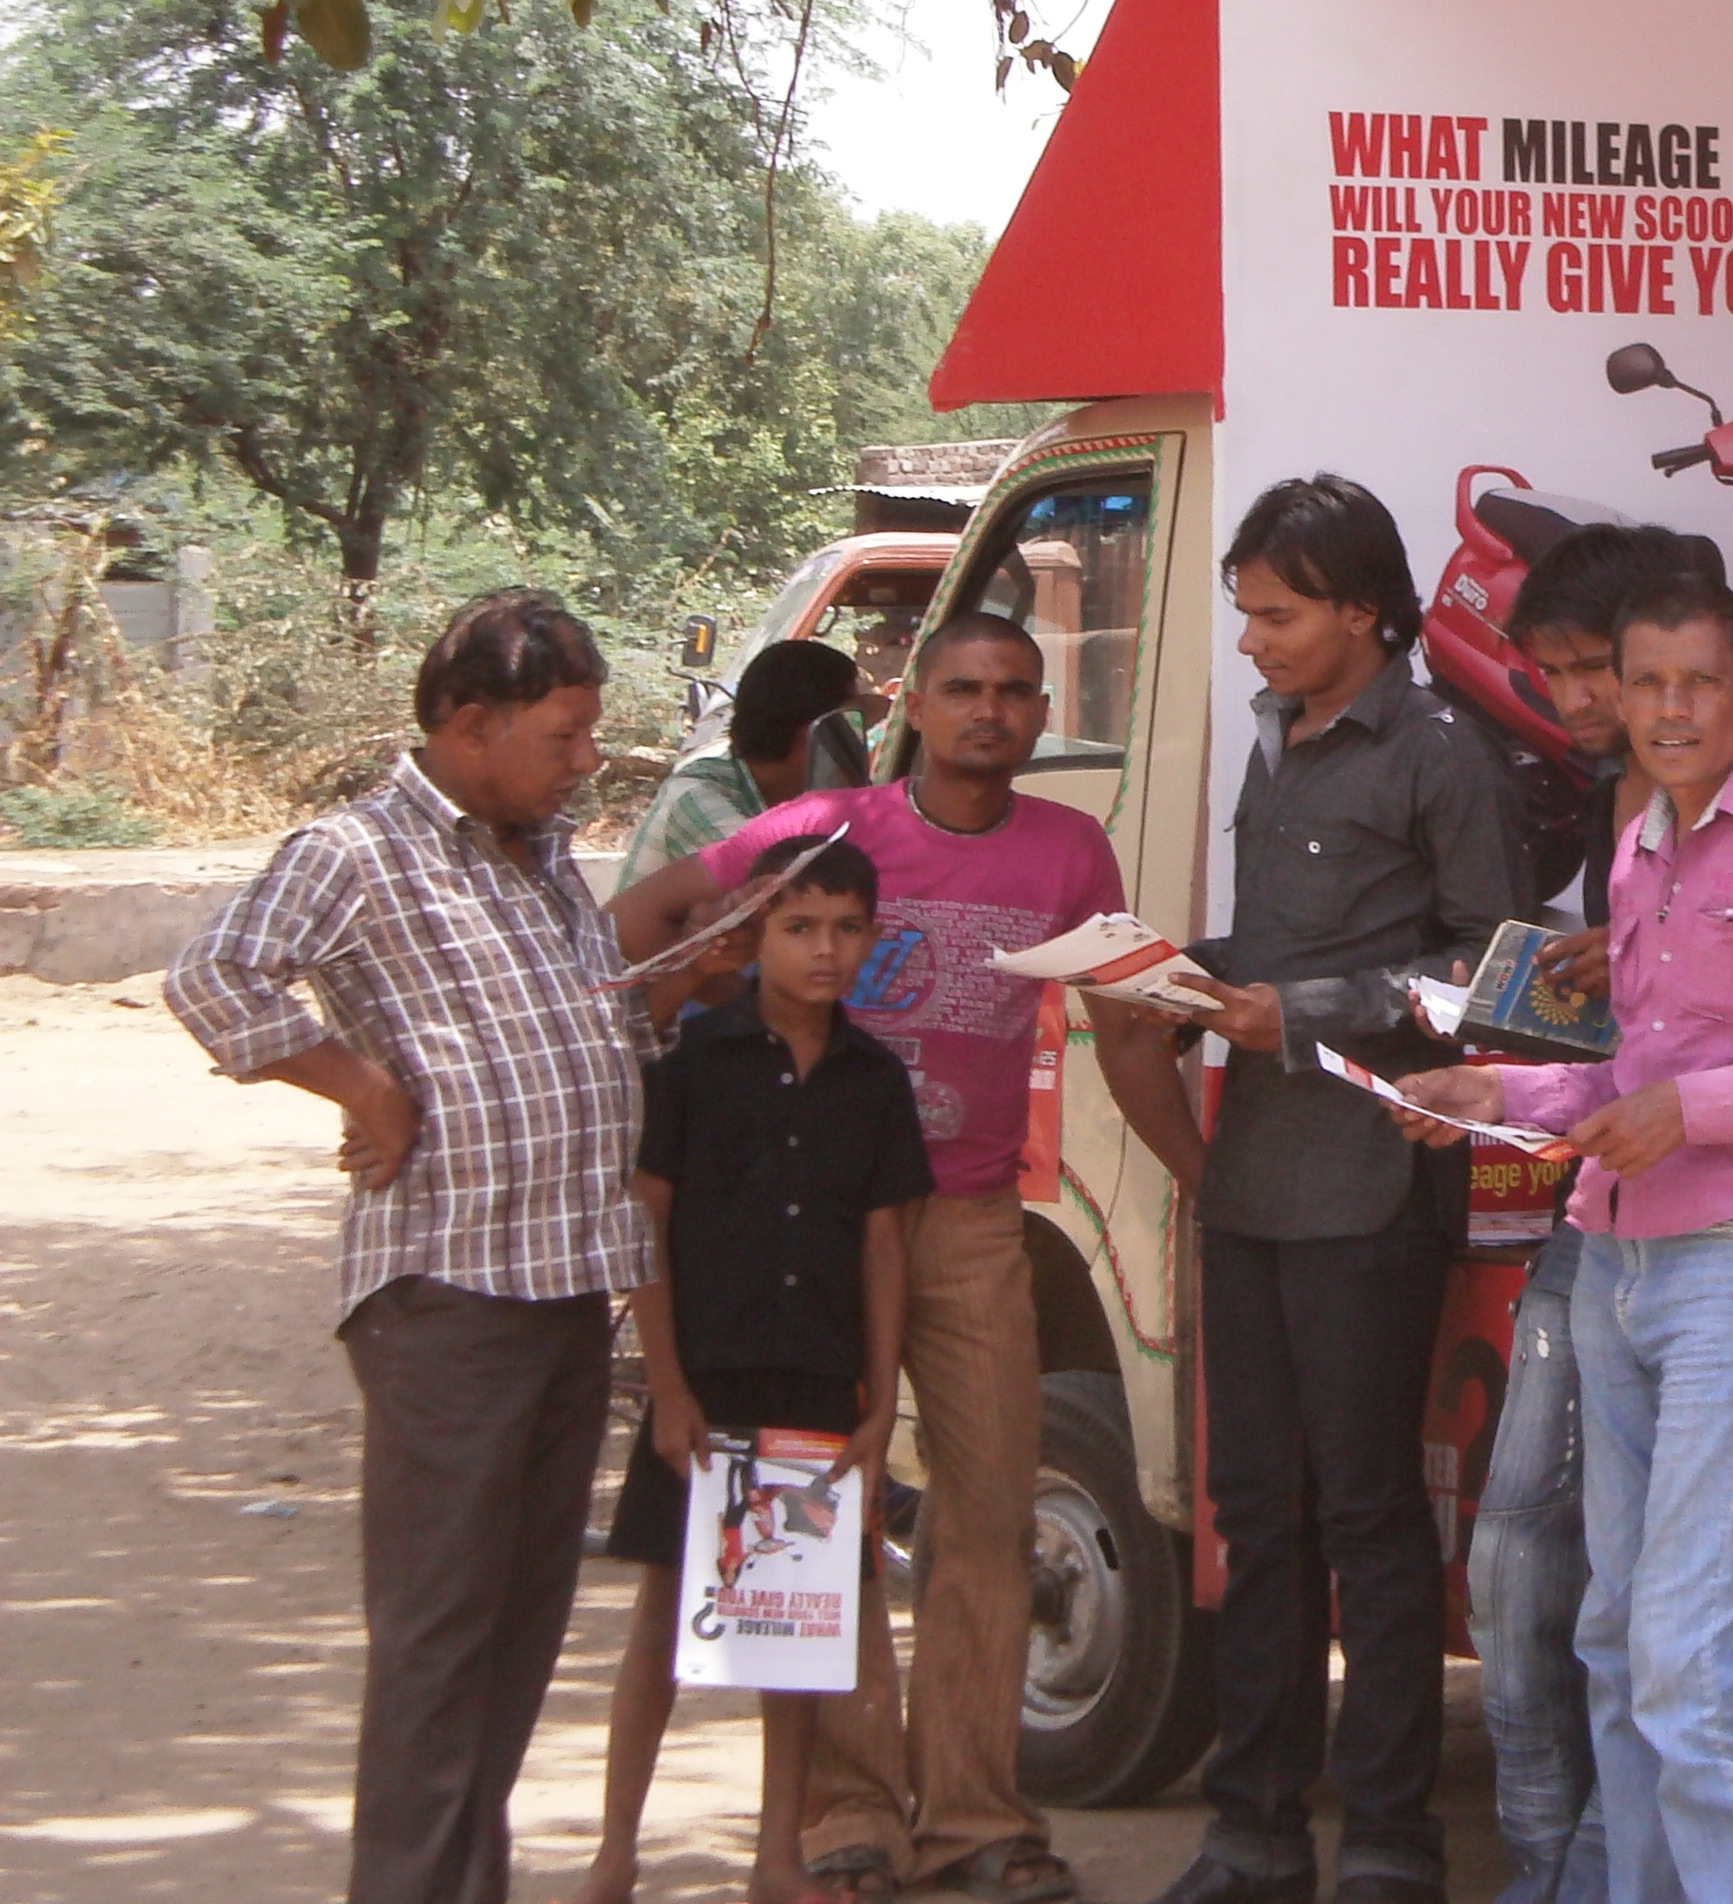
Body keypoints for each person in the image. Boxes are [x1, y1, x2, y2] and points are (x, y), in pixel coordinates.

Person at [618, 615, 1200, 1904]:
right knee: (815, 1518)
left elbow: (1133, 1035)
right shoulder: (831, 830)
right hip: (811, 1229)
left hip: (977, 1220)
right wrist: (663, 1017)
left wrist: (1205, 1183)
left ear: (1042, 714)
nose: (988, 712)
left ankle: (977, 1824)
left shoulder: (1072, 849)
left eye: (1013, 692)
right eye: (962, 691)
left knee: (987, 1518)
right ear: (915, 707)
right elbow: (652, 912)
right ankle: (850, 1820)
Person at [1399, 576, 1733, 1904]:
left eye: (1702, 682)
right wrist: (1496, 1095)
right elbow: (1612, 1085)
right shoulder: (1638, 843)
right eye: (1649, 684)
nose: (1673, 707)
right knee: (1614, 1638)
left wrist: (1695, 1112)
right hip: (1612, 1256)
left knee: (1686, 1654)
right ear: (1619, 699)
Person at [166, 590, 647, 1904]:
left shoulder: (540, 848)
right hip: (450, 1295)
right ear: (475, 724)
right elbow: (213, 979)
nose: (585, 758)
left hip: (562, 1287)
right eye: (565, 732)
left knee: (514, 1646)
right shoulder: (362, 848)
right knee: (439, 1650)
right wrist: (360, 1087)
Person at [1150, 475, 1527, 1904]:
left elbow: (1499, 983)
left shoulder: (1441, 753)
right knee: (1257, 1510)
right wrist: (1182, 972)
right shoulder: (1279, 741)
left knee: (1367, 1517)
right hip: (1251, 1182)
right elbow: (1291, 935)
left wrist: (1296, 1010)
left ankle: (1386, 1839)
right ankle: (1250, 1830)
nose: (1253, 642)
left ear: (1366, 611)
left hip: (1371, 1185)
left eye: (1279, 616)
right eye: (1247, 614)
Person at [572, 834, 932, 1904]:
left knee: (798, 1629)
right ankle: (613, 1852)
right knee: (660, 1612)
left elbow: (883, 1247)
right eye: (799, 927)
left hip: (819, 1381)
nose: (825, 952)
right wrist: (669, 1389)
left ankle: (780, 1856)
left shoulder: (875, 1084)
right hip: (710, 1375)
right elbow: (650, 1221)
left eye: (847, 930)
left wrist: (878, 1403)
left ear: (873, 939)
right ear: (755, 934)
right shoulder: (691, 1064)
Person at [1473, 521, 1725, 1904]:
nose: (1569, 699)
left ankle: (1582, 1869)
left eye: (1590, 669)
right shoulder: (1608, 804)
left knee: (1639, 1608)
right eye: (1552, 670)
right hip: (1604, 1191)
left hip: (1710, 1219)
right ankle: (1551, 1862)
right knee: (1529, 1549)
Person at [619, 638, 867, 889]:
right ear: (815, 731)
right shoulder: (695, 794)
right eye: (852, 722)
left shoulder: (794, 795)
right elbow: (798, 883)